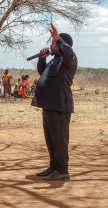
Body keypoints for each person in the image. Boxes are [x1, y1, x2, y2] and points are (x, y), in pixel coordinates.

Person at [32, 24, 77, 181]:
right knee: (50, 139)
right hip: (49, 105)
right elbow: (42, 73)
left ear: (61, 45)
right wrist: (42, 58)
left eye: (54, 43)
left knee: (59, 139)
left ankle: (63, 170)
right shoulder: (54, 60)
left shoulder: (68, 60)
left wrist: (58, 40)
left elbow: (69, 53)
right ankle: (54, 167)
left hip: (60, 105)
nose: (51, 45)